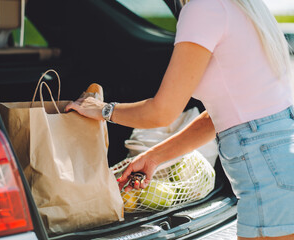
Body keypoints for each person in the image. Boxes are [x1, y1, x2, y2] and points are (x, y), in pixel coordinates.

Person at [65, 0, 294, 239]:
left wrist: (103, 110)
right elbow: (218, 117)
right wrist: (154, 157)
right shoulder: (243, 6)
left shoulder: (202, 8)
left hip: (267, 170)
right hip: (280, 161)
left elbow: (162, 112)